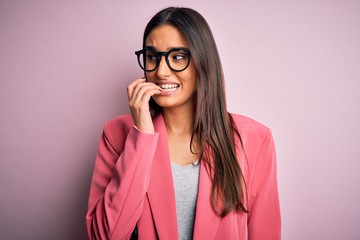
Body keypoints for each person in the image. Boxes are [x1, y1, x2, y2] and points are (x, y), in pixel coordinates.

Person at [86, 6, 281, 240]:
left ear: (202, 62)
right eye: (152, 57)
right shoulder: (117, 134)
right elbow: (105, 236)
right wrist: (142, 137)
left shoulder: (255, 139)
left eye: (177, 57)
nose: (161, 71)